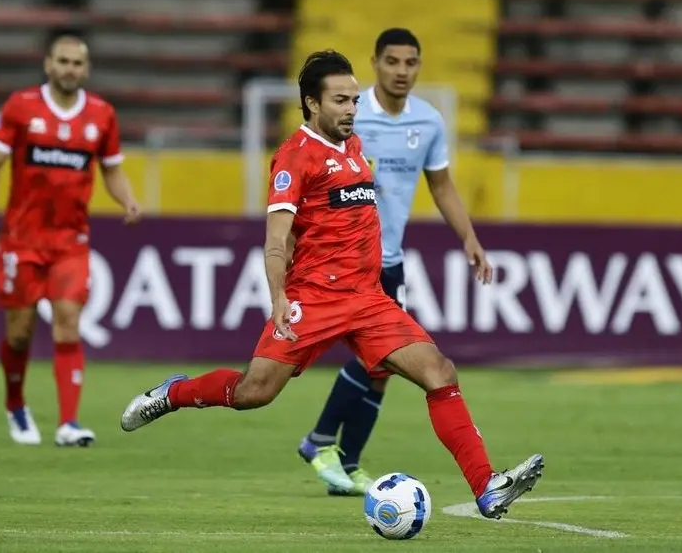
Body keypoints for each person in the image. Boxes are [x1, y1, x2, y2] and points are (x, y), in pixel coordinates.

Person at [119, 50, 543, 520]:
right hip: (312, 299)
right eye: (340, 100)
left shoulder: (355, 148)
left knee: (439, 372)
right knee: (253, 393)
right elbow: (276, 238)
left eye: (355, 101)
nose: (351, 109)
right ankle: (174, 393)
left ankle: (486, 487)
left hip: (367, 298)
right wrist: (279, 296)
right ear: (311, 104)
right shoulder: (293, 157)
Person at [296, 28, 494, 496]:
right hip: (345, 264)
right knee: (379, 361)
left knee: (381, 372)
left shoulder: (428, 122)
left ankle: (345, 460)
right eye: (392, 62)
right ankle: (321, 440)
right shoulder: (350, 115)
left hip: (390, 261)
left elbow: (441, 186)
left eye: (410, 63)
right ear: (375, 63)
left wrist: (468, 236)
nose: (401, 71)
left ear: (419, 66)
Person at [0, 32, 142, 447]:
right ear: (48, 65)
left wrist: (128, 200)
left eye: (77, 63)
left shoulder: (102, 115)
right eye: (63, 61)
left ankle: (69, 423)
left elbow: (112, 168)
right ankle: (16, 404)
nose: (70, 69)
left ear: (86, 69)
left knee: (68, 324)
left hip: (70, 242)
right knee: (20, 332)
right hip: (21, 240)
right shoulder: (20, 107)